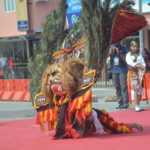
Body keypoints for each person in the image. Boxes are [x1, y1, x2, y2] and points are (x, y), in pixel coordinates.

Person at [126, 41, 146, 112]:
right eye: (133, 46)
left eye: (136, 46)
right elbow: (130, 62)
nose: (135, 48)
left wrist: (143, 66)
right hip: (133, 73)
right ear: (131, 47)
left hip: (140, 73)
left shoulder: (139, 55)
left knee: (140, 90)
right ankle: (136, 106)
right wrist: (138, 65)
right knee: (135, 88)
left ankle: (139, 105)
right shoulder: (128, 54)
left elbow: (143, 63)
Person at [108, 43, 129, 109]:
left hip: (122, 70)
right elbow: (107, 56)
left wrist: (120, 53)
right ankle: (120, 104)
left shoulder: (123, 47)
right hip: (114, 70)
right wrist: (111, 51)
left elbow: (126, 60)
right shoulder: (111, 47)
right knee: (117, 87)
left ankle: (125, 104)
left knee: (123, 87)